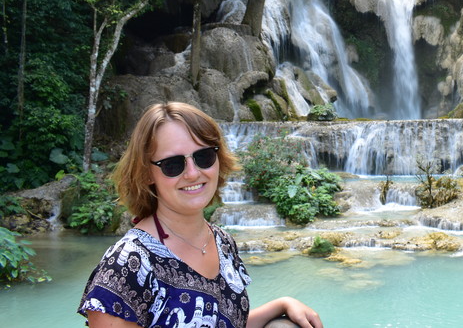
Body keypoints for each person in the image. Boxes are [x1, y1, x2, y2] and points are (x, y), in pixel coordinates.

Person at [78, 102, 323, 328]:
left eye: (203, 157)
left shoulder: (222, 242)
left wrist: (280, 304)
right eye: (173, 164)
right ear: (146, 174)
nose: (193, 173)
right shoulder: (128, 264)